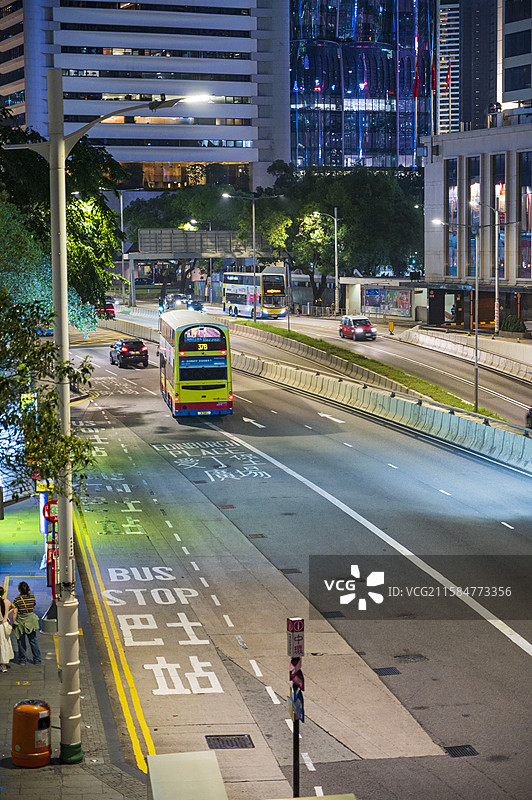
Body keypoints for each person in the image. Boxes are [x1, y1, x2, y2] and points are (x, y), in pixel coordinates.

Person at [12, 582, 41, 665]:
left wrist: (13, 623)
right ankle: (37, 660)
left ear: (19, 589)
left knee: (21, 641)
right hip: (31, 621)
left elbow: (14, 612)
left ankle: (22, 660)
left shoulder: (17, 599)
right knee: (33, 640)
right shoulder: (32, 597)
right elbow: (34, 606)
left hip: (21, 622)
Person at [0, 586, 14, 672]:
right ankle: (3, 665)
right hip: (4, 625)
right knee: (4, 644)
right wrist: (7, 614)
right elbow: (14, 607)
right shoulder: (6, 601)